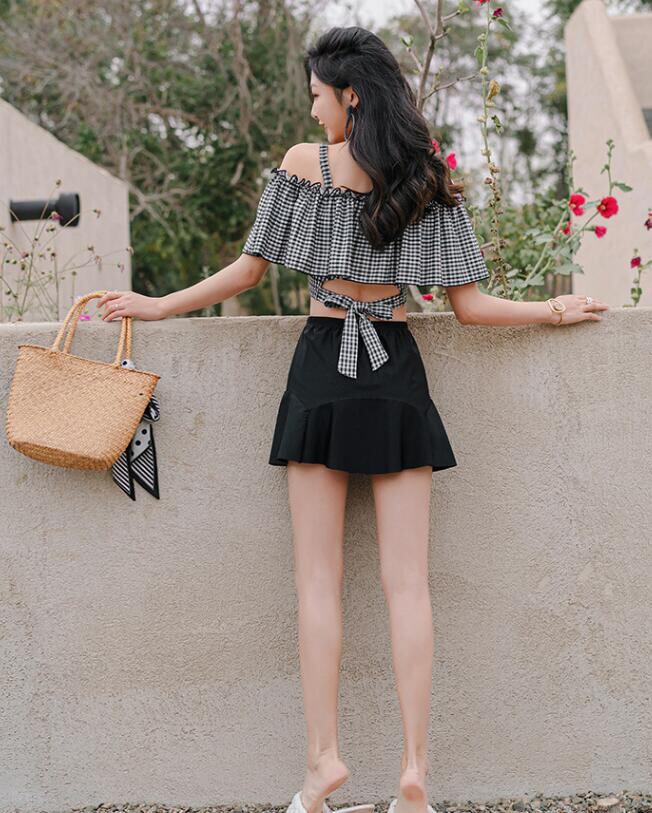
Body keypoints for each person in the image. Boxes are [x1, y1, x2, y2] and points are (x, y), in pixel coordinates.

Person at [95, 25, 609, 813]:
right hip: (396, 371)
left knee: (317, 581)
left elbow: (248, 271)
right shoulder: (423, 176)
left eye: (317, 96)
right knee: (410, 586)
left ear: (351, 94)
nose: (312, 111)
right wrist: (553, 308)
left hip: (322, 369)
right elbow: (471, 308)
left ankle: (323, 764)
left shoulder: (307, 166)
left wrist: (158, 304)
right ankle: (414, 771)